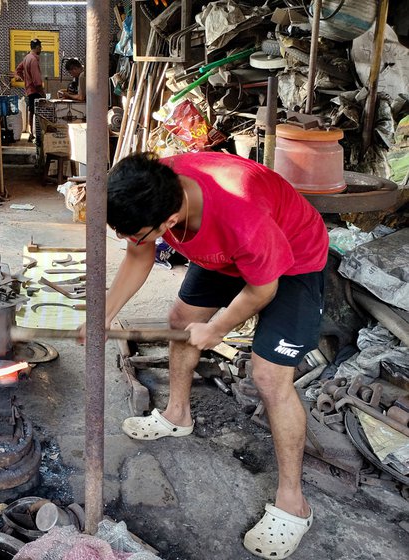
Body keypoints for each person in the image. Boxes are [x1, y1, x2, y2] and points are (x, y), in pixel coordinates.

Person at [101, 151, 327, 559]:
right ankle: (177, 415)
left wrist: (218, 328)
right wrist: (103, 312)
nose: (129, 241)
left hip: (292, 261)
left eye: (137, 233)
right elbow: (139, 252)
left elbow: (262, 290)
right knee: (181, 318)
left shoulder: (241, 214)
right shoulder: (151, 185)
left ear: (170, 222)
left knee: (269, 377)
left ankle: (294, 502)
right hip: (226, 253)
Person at [15, 39, 45, 142]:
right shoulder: (33, 60)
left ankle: (31, 133)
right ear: (37, 47)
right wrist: (43, 93)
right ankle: (37, 134)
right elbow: (37, 81)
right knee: (38, 112)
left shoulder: (26, 58)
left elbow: (18, 70)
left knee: (31, 111)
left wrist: (25, 80)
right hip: (35, 90)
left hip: (29, 90)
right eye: (40, 47)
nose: (41, 49)